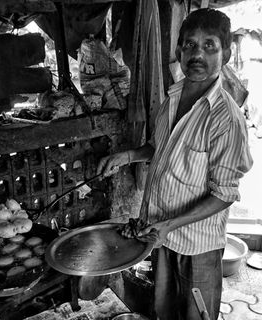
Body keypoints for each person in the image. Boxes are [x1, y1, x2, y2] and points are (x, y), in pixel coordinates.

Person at [97, 8, 253, 320]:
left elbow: (223, 194)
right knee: (164, 309)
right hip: (160, 233)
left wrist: (168, 226)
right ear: (179, 50)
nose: (198, 54)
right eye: (190, 45)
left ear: (227, 53)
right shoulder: (173, 97)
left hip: (197, 244)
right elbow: (159, 148)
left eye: (210, 46)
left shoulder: (225, 118)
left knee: (197, 314)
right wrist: (126, 156)